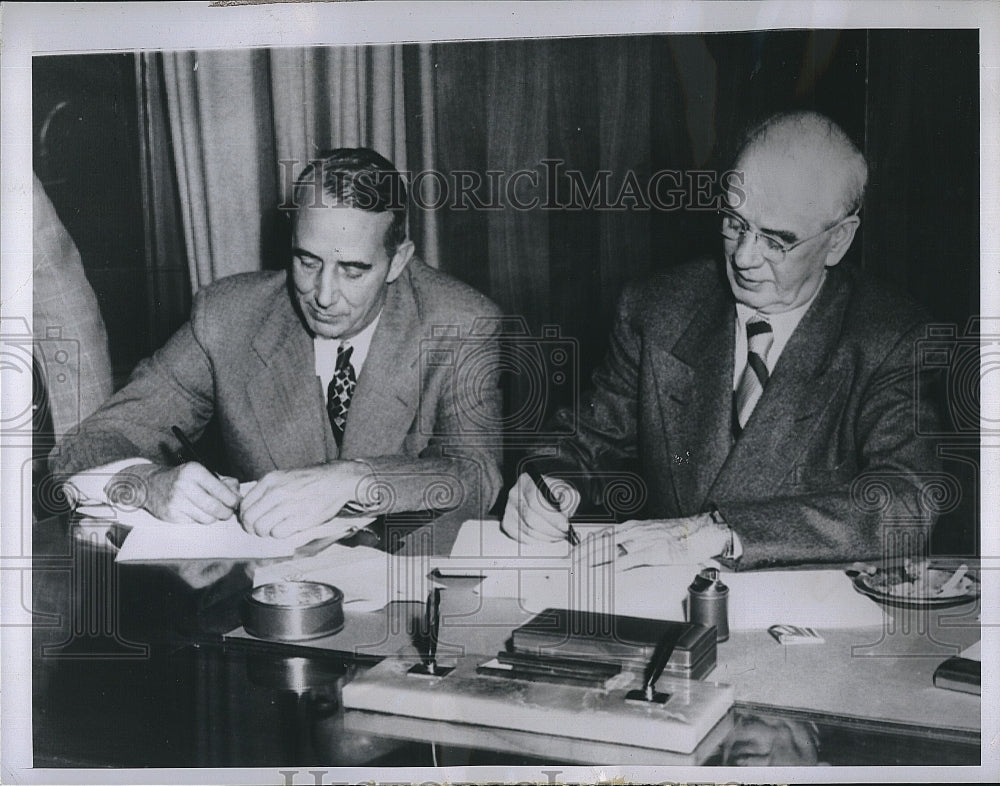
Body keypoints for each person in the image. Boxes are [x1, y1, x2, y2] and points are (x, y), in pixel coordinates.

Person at [503, 111, 940, 570]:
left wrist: (718, 532)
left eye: (776, 240)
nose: (745, 257)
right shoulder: (658, 308)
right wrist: (548, 480)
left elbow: (906, 503)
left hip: (804, 610)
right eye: (735, 223)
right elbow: (586, 437)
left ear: (838, 241)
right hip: (666, 603)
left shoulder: (891, 337)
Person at [53, 148, 503, 540]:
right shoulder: (228, 317)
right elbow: (90, 442)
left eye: (353, 270)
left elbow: (475, 474)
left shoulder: (460, 323)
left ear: (398, 260)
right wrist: (148, 483)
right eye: (307, 261)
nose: (323, 295)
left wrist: (355, 480)